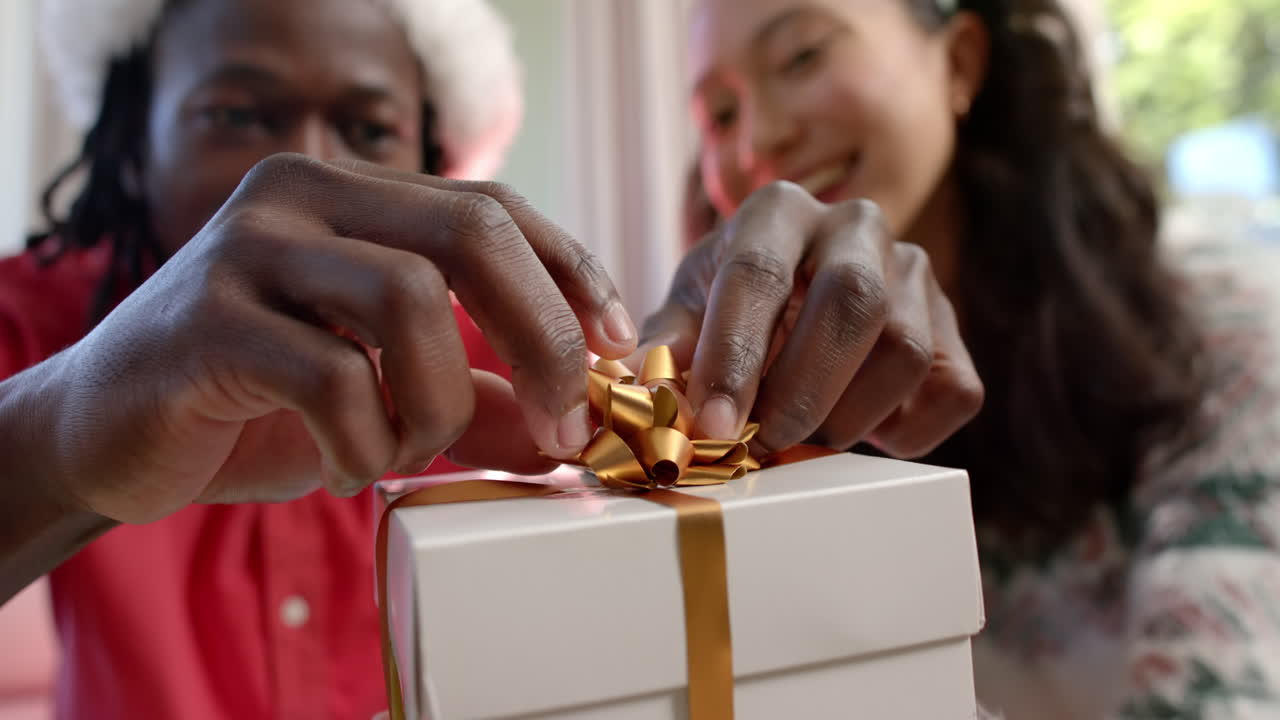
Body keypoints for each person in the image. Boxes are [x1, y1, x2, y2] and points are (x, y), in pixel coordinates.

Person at [1, 0, 982, 717]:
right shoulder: (34, 324)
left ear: (431, 156)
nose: (310, 168)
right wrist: (61, 436)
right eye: (239, 116)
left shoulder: (503, 356)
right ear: (131, 144)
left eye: (369, 128)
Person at [678, 0, 1280, 717]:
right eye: (719, 116)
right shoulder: (752, 402)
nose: (757, 144)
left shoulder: (1222, 336)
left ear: (959, 61)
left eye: (803, 57)